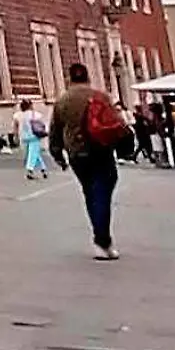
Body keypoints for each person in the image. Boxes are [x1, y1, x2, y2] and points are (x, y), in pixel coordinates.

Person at [49, 63, 121, 260]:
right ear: (88, 77)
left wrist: (57, 154)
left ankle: (101, 239)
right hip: (101, 150)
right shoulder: (100, 96)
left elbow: (55, 130)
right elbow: (116, 122)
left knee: (91, 193)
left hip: (76, 154)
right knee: (103, 192)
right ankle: (102, 241)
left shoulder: (63, 101)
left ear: (69, 78)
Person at [14, 98, 49, 179]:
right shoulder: (36, 114)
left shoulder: (17, 115)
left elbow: (15, 127)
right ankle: (38, 169)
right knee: (34, 154)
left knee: (31, 154)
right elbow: (42, 125)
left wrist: (15, 137)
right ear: (30, 105)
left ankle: (34, 170)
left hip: (23, 137)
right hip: (34, 136)